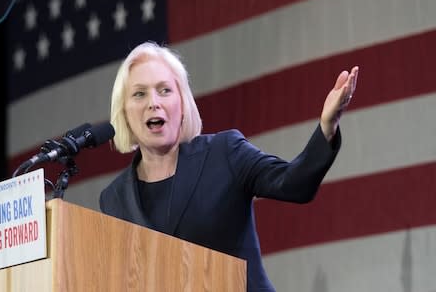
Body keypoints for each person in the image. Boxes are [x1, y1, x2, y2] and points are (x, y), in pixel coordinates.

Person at [99, 41, 359, 291]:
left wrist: (327, 126)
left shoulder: (224, 153)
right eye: (139, 94)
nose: (153, 102)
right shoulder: (114, 199)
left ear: (182, 102)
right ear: (123, 111)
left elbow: (294, 182)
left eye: (164, 90)